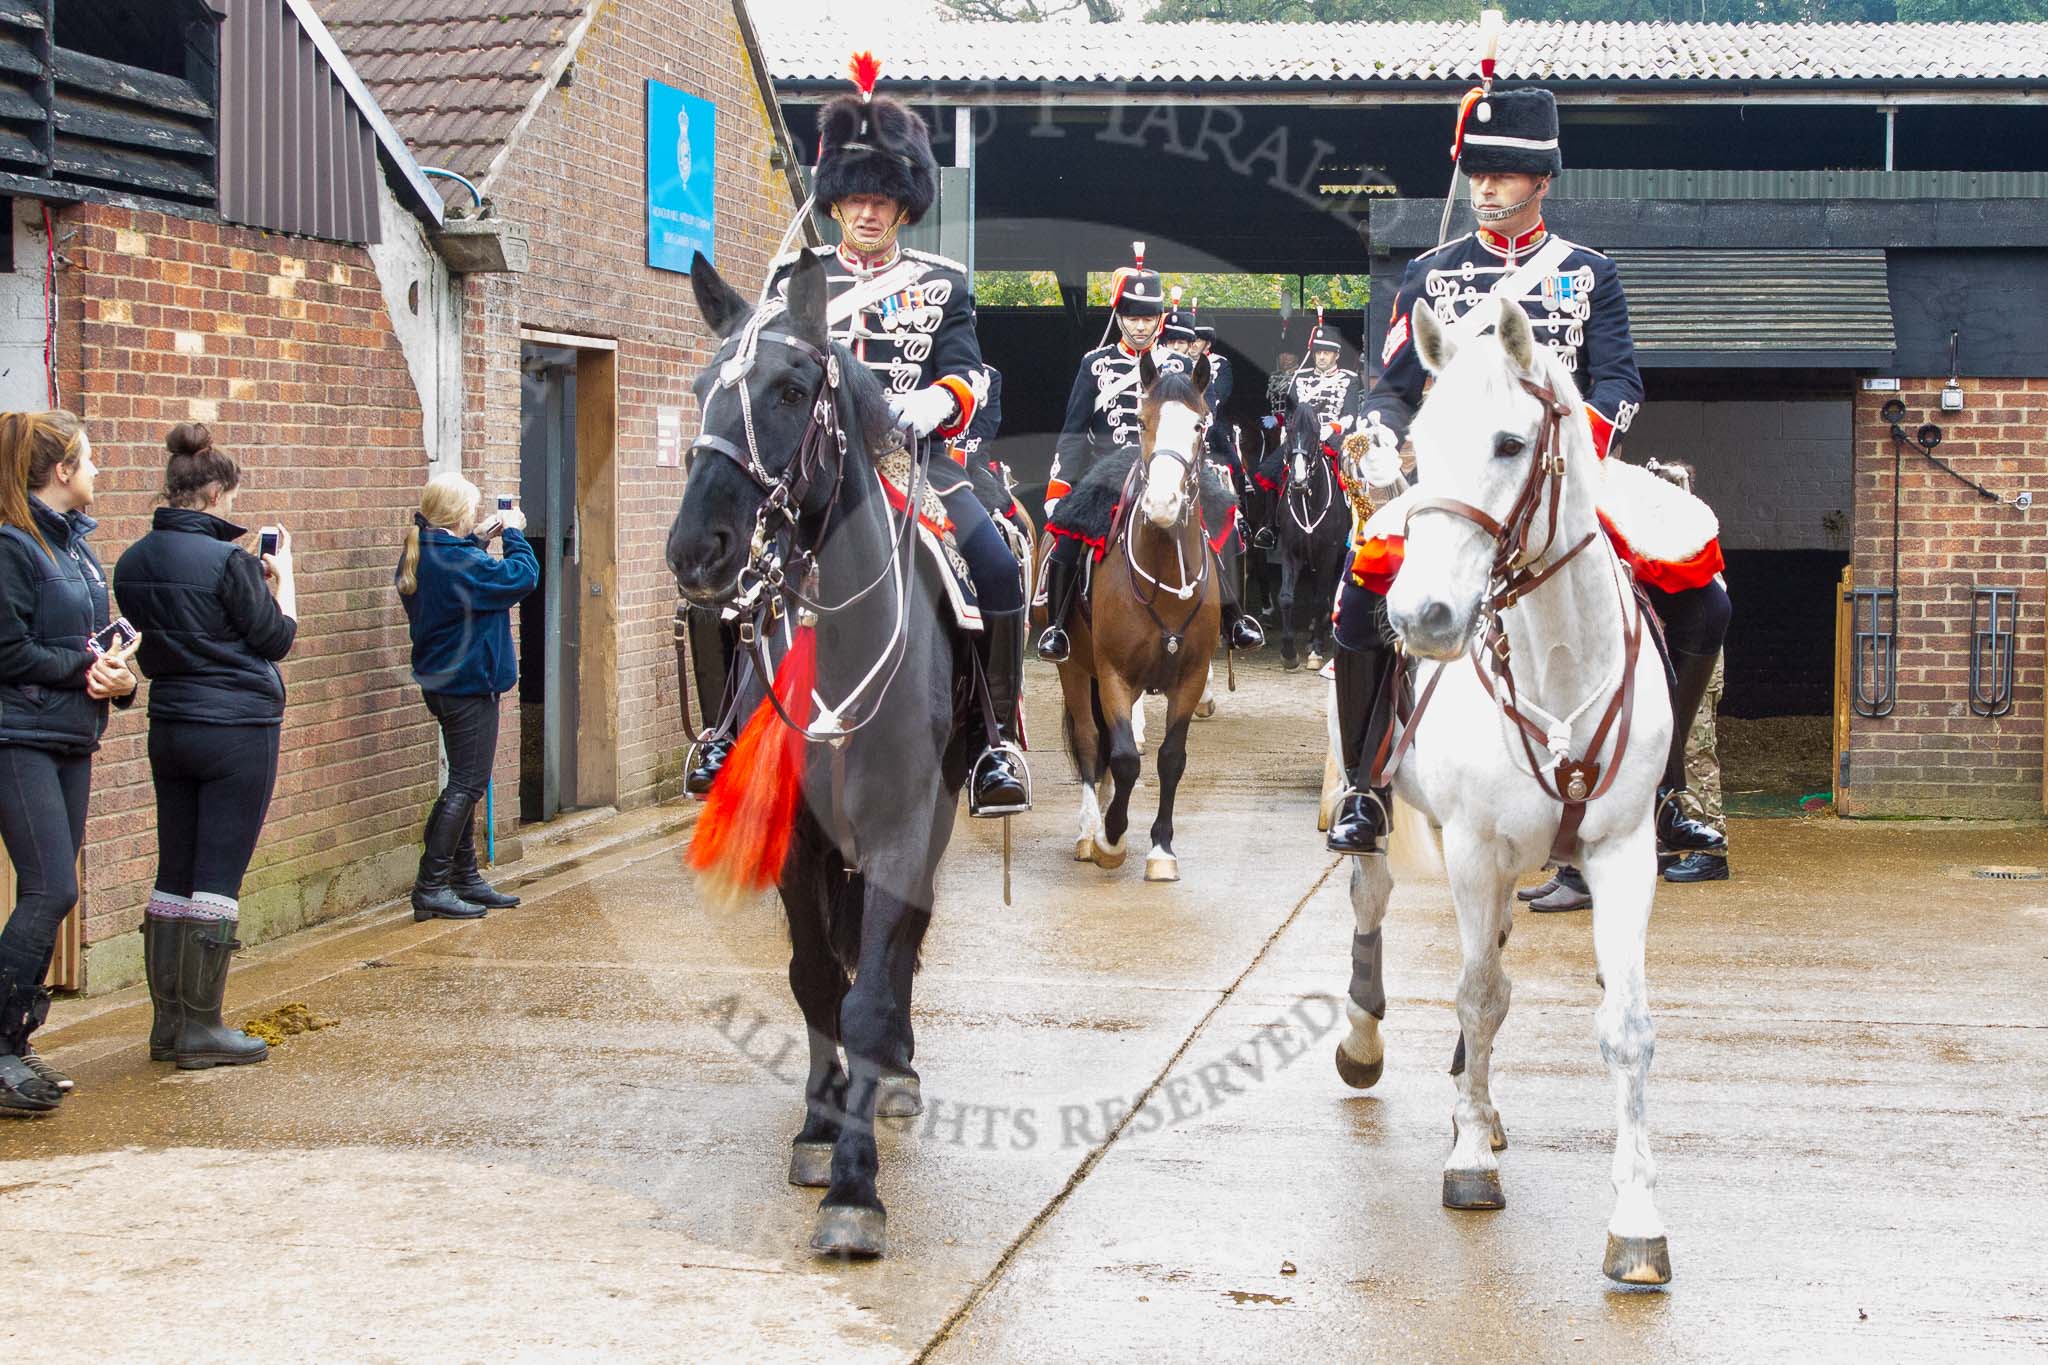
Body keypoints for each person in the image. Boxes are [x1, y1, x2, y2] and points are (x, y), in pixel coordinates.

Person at [1327, 86, 1730, 868]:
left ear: (1542, 179)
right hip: (1464, 483)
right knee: (1362, 578)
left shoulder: (1589, 274)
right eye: (1476, 171)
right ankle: (1364, 783)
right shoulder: (1430, 274)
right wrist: (1376, 432)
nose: (1485, 186)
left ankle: (1667, 784)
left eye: (1504, 173)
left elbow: (1618, 382)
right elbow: (1392, 385)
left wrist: (1575, 450)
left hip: (1569, 476)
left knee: (1706, 597)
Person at [745, 62, 1029, 819]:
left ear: (904, 208)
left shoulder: (945, 283)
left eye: (882, 200)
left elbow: (973, 377)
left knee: (997, 568)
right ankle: (723, 736)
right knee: (736, 579)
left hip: (915, 468)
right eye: (855, 198)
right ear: (834, 201)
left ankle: (994, 743)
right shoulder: (791, 282)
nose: (867, 212)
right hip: (810, 472)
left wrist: (929, 403)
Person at [114, 423, 295, 1069]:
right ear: (216, 490)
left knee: (175, 871)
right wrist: (285, 582)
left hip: (171, 726)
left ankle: (168, 1026)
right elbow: (275, 639)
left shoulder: (132, 559)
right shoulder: (231, 562)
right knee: (217, 878)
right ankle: (203, 1028)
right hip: (237, 730)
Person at [0, 410, 136, 1110]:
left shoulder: (78, 551)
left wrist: (122, 682)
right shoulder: (11, 547)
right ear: (62, 471)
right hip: (17, 737)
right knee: (51, 888)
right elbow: (8, 651)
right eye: (90, 459)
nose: (97, 471)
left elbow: (100, 643)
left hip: (69, 736)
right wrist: (84, 669)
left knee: (54, 890)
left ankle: (17, 1044)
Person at [1039, 246, 1264, 661]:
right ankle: (1057, 628)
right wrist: (1061, 484)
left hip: (1172, 469)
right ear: (1119, 318)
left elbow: (1202, 424)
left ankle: (1235, 618)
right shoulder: (1095, 364)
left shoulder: (1179, 365)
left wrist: (1207, 469)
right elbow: (1073, 430)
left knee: (1225, 526)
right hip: (1109, 472)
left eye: (1147, 318)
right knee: (1068, 537)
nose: (1140, 326)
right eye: (1132, 317)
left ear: (1159, 319)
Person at [396, 472, 538, 921]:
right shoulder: (458, 562)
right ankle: (431, 885)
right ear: (457, 514)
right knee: (467, 785)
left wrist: (478, 538)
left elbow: (461, 588)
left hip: (442, 684)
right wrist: (514, 533)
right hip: (468, 687)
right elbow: (522, 577)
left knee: (462, 781)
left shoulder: (424, 550)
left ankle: (466, 877)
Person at [1252, 316, 1361, 550]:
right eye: (1318, 352)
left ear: (1336, 355)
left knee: (1355, 476)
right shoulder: (1300, 378)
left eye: (1327, 353)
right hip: (1302, 438)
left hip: (1333, 436)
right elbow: (1290, 413)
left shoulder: (1349, 380)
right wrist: (1291, 432)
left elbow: (1351, 413)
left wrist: (1332, 428)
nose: (1321, 357)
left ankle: (1354, 527)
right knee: (1268, 470)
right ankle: (1270, 526)